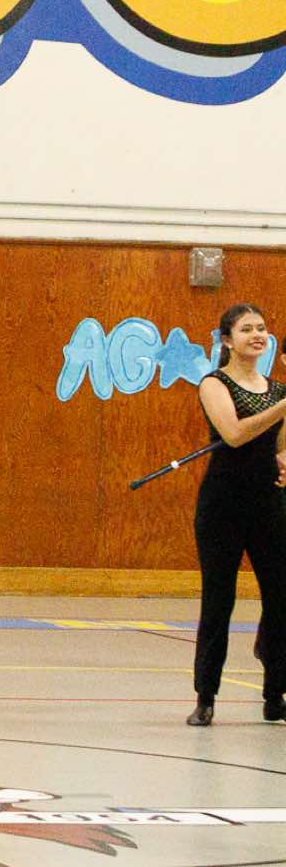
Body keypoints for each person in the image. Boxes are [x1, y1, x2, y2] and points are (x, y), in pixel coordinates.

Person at [185, 303, 286, 726]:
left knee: (281, 598)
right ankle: (206, 696)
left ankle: (275, 693)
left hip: (270, 503)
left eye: (261, 328)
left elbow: (279, 445)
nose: (257, 335)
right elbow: (235, 434)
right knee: (219, 600)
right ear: (227, 339)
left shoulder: (277, 390)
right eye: (246, 329)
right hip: (223, 505)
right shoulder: (214, 383)